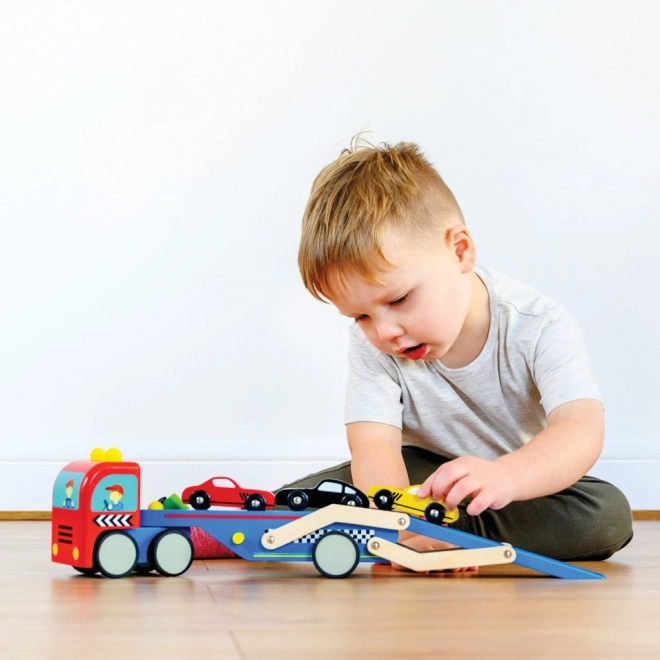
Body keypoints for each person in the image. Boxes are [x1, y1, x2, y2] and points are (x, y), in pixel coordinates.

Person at [280, 138, 633, 565]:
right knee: (298, 502)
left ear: (460, 251)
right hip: (416, 483)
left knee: (604, 515)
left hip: (513, 489)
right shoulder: (373, 343)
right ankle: (417, 535)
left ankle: (450, 534)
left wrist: (505, 476)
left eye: (398, 300)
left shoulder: (538, 324)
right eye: (361, 317)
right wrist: (403, 520)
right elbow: (374, 445)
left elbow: (580, 428)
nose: (385, 331)